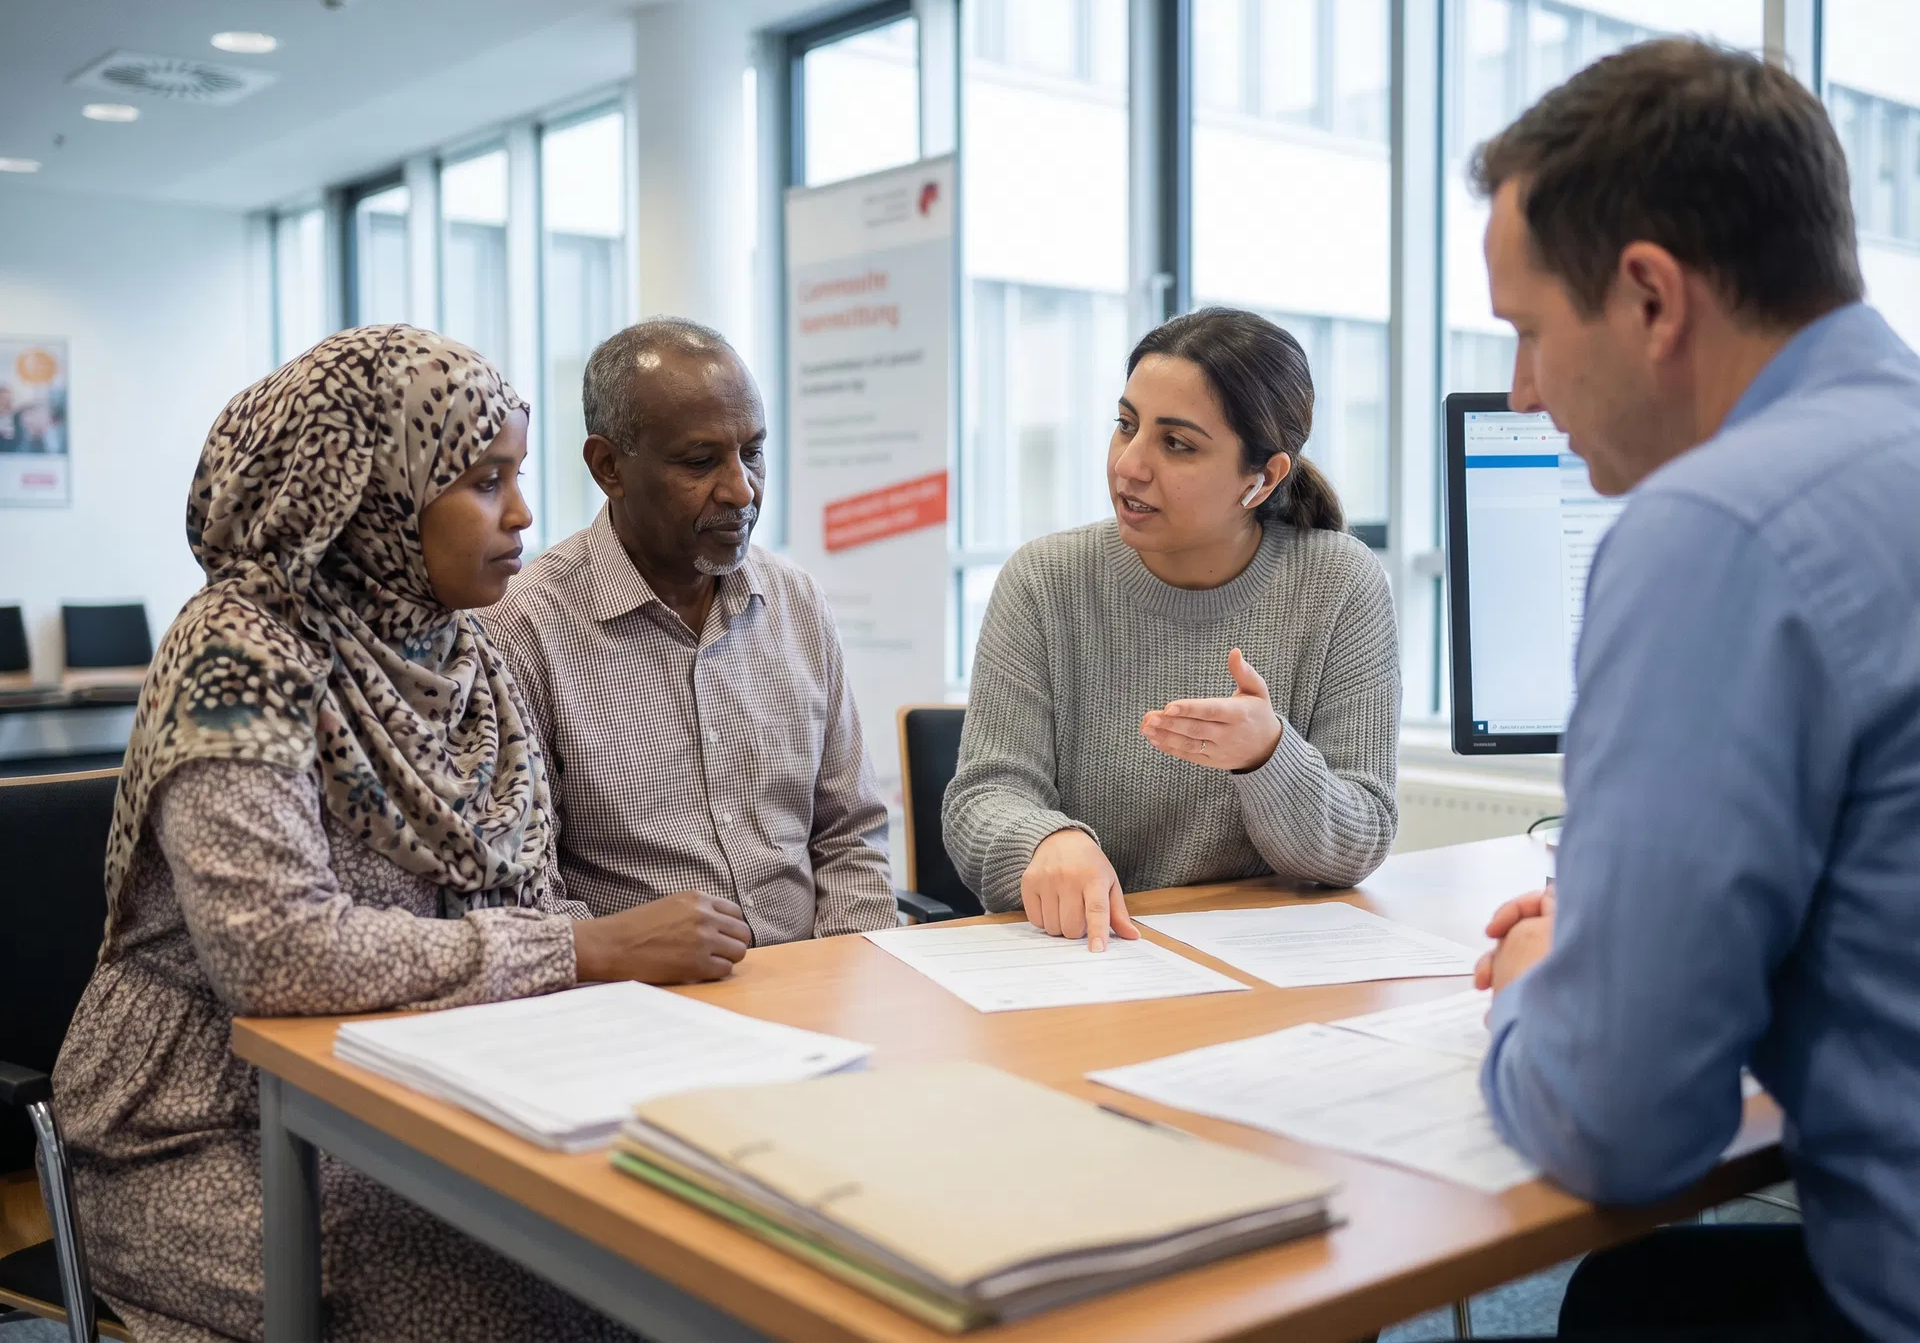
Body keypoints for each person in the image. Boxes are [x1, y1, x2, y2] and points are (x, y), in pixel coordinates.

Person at [52, 325, 751, 1343]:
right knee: (505, 1300)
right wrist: (581, 948)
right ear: (362, 492)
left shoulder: (465, 657)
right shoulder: (235, 652)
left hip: (419, 1086)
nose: (520, 514)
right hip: (210, 1128)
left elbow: (522, 885)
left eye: (515, 476)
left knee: (658, 1244)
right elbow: (276, 955)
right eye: (481, 480)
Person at [1470, 39, 1920, 1340]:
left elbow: (1621, 1126)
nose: (1524, 392)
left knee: (1628, 1305)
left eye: (1531, 333)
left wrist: (1546, 967)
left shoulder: (1714, 528)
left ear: (1653, 298)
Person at [943, 307, 1400, 950]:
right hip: (1093, 956)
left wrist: (1269, 756)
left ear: (1262, 478)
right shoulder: (1045, 580)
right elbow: (983, 799)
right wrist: (1047, 839)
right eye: (1125, 426)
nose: (1130, 465)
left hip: (1271, 963)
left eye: (1176, 443)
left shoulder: (1340, 583)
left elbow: (1362, 837)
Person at [481, 318, 896, 943]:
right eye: (700, 462)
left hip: (815, 990)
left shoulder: (797, 604)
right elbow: (524, 892)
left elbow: (850, 837)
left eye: (752, 451)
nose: (741, 489)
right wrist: (628, 960)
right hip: (639, 1005)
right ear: (608, 467)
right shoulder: (522, 628)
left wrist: (846, 972)